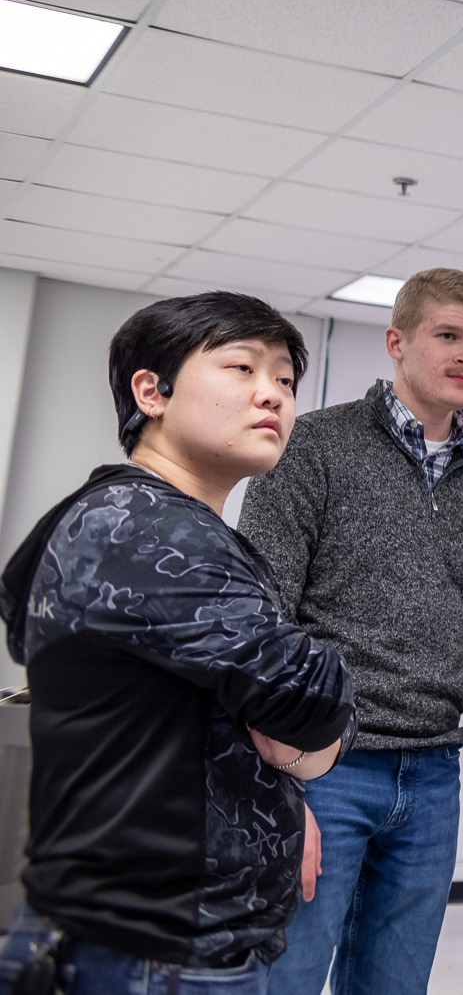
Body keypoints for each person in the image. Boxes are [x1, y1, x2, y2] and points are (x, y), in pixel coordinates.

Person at [0, 292, 356, 994]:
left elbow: (296, 723)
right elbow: (315, 702)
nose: (273, 395)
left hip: (153, 938)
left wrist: (290, 740)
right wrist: (297, 738)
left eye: (285, 379)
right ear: (151, 392)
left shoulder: (147, 521)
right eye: (242, 367)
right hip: (155, 952)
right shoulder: (150, 529)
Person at [240, 269, 463, 995]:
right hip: (321, 770)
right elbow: (263, 620)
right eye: (448, 335)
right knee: (284, 980)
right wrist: (278, 783)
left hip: (433, 779)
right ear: (397, 342)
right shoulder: (312, 446)